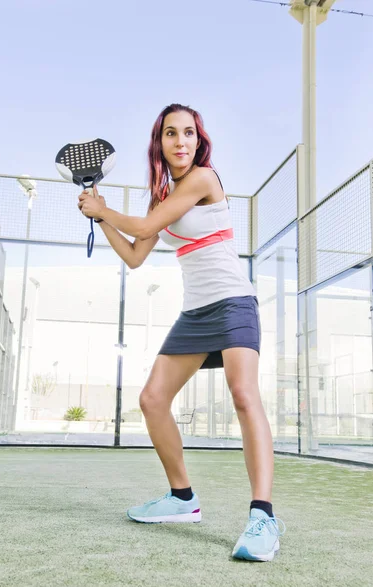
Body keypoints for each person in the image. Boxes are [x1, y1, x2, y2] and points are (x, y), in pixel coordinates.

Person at [78, 103, 285, 562]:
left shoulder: (204, 179)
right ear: (161, 143)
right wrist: (99, 217)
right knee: (152, 400)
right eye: (171, 133)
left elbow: (148, 226)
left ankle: (263, 515)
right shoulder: (162, 196)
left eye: (188, 133)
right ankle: (182, 497)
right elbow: (135, 254)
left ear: (199, 139)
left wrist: (105, 208)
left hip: (233, 302)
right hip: (195, 313)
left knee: (243, 394)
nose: (181, 141)